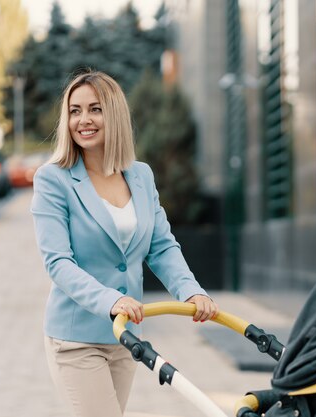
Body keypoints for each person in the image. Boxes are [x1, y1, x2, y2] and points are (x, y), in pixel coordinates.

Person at [31, 70, 219, 417]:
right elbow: (58, 263)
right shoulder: (53, 180)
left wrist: (191, 291)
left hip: (125, 338)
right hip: (76, 340)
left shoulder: (141, 175)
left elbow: (161, 246)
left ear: (114, 114)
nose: (83, 120)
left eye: (95, 109)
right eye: (74, 111)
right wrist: (111, 299)